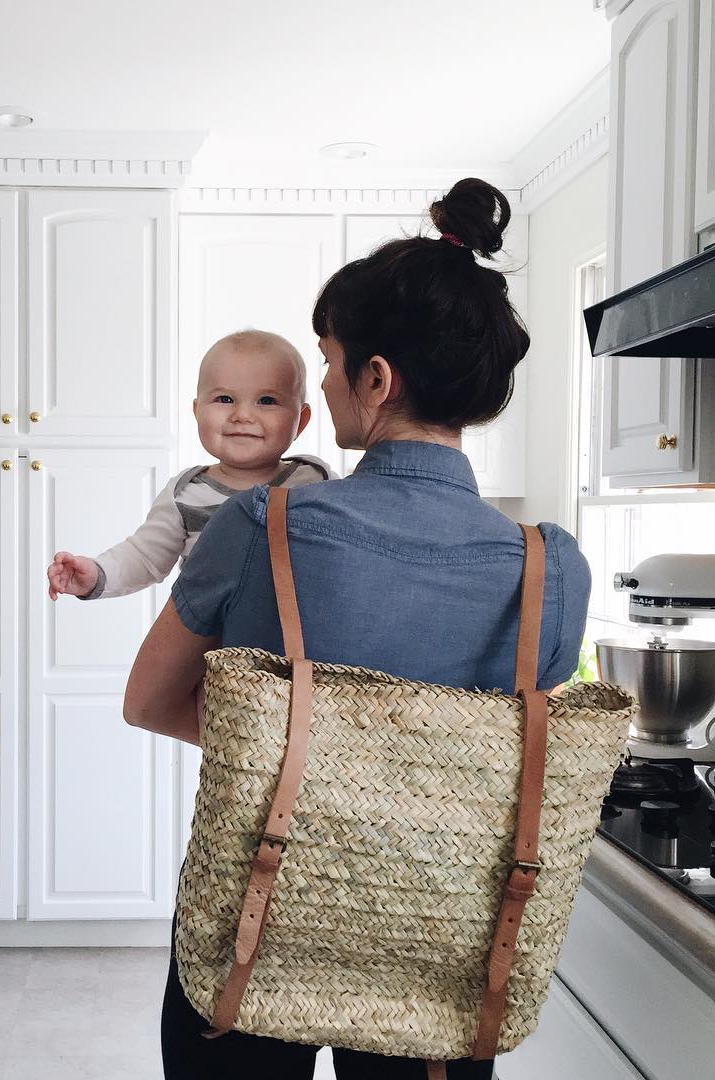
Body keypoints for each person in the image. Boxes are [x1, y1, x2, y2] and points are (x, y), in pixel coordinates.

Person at [123, 178, 591, 1079]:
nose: (326, 382)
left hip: (254, 924)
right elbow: (511, 755)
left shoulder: (260, 526)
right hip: (442, 945)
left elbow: (148, 701)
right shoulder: (550, 566)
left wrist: (297, 760)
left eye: (331, 361)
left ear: (377, 380)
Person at [46, 329, 333, 602]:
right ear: (197, 412)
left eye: (267, 401)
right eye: (225, 399)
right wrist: (96, 574)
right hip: (212, 645)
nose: (242, 414)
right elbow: (143, 556)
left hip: (295, 644)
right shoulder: (186, 493)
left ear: (301, 421)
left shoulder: (315, 481)